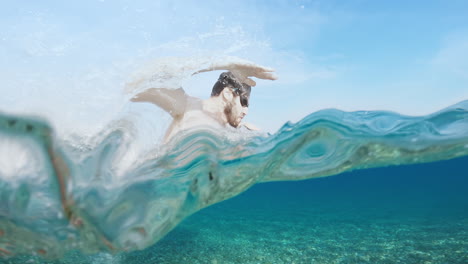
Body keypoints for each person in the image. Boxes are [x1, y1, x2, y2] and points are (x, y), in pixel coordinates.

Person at [130, 62, 277, 142]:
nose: (246, 111)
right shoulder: (188, 106)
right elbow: (153, 75)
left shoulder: (232, 130)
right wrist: (226, 64)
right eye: (243, 102)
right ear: (227, 94)